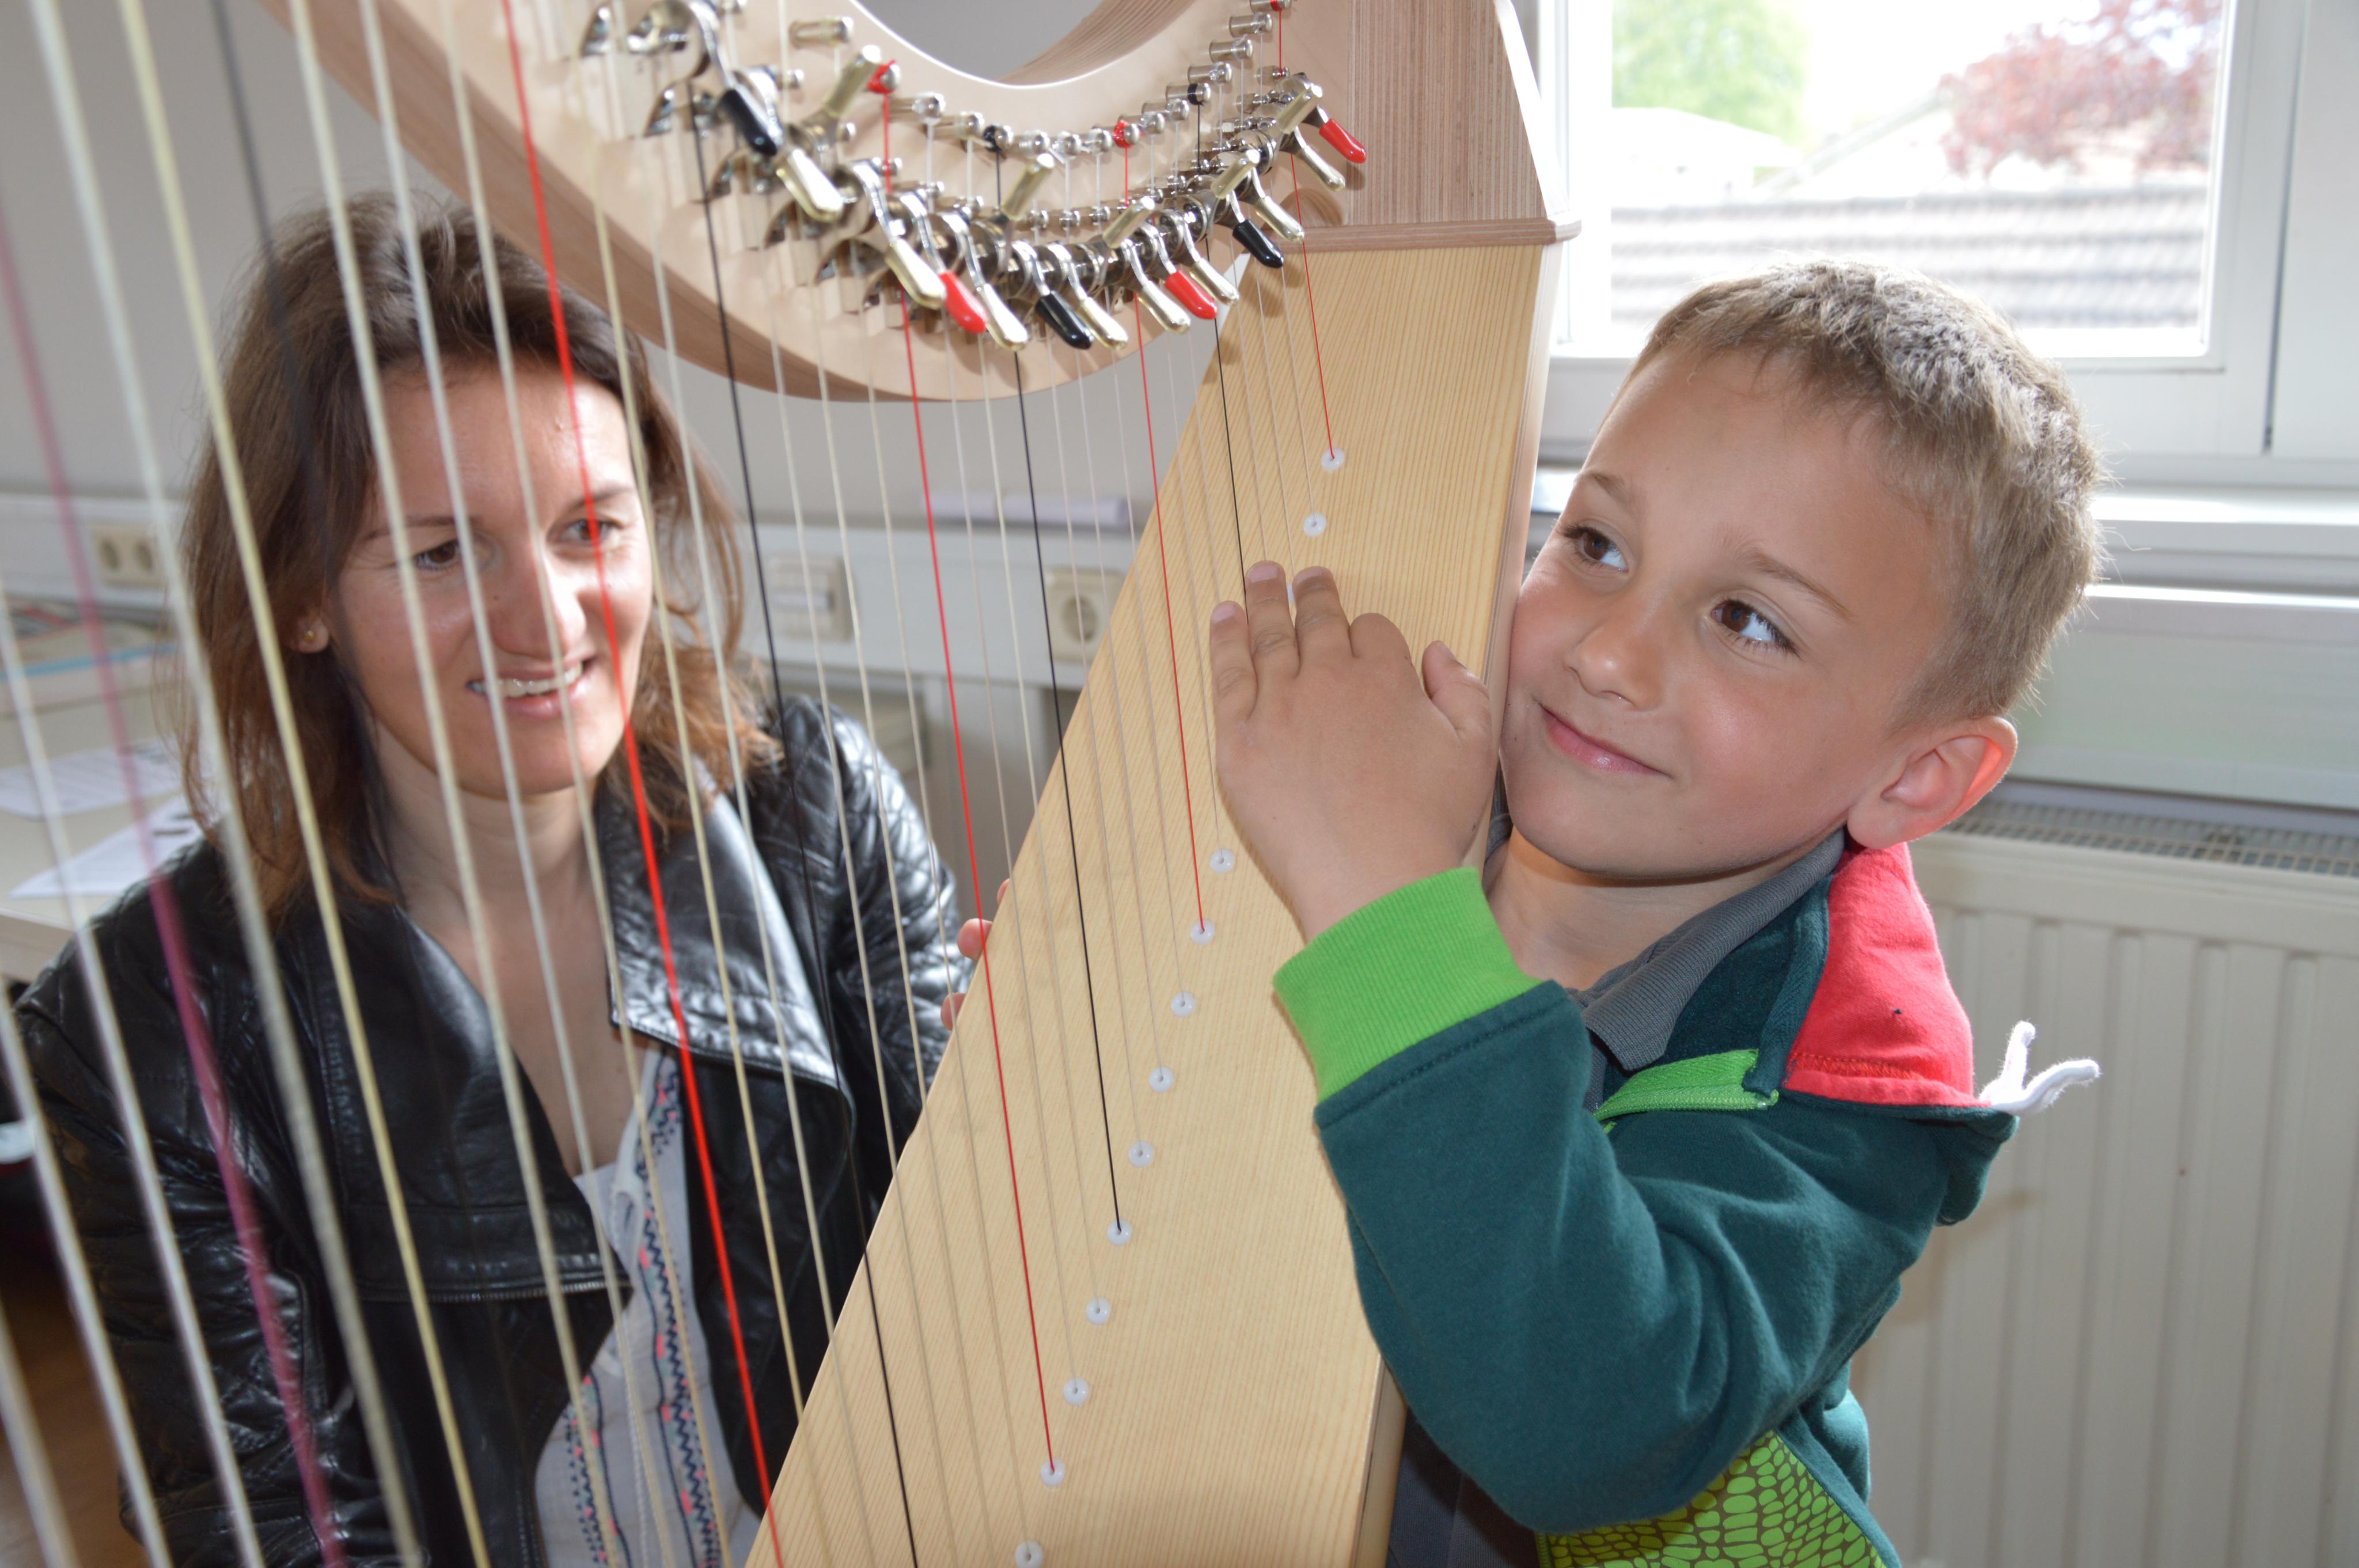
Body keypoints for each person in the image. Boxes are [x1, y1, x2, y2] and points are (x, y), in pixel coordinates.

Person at [17, 196, 959, 1568]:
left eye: (591, 528)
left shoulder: (821, 820)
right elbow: (277, 1535)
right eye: (445, 551)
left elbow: (978, 1299)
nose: (546, 618)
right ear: (302, 597)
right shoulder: (153, 1034)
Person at [1206, 263, 2102, 1566]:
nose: (1607, 655)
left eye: (1748, 621)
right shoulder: (1431, 809)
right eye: (1596, 545)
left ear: (1916, 777)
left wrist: (1385, 907)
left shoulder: (1850, 1099)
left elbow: (1584, 1422)